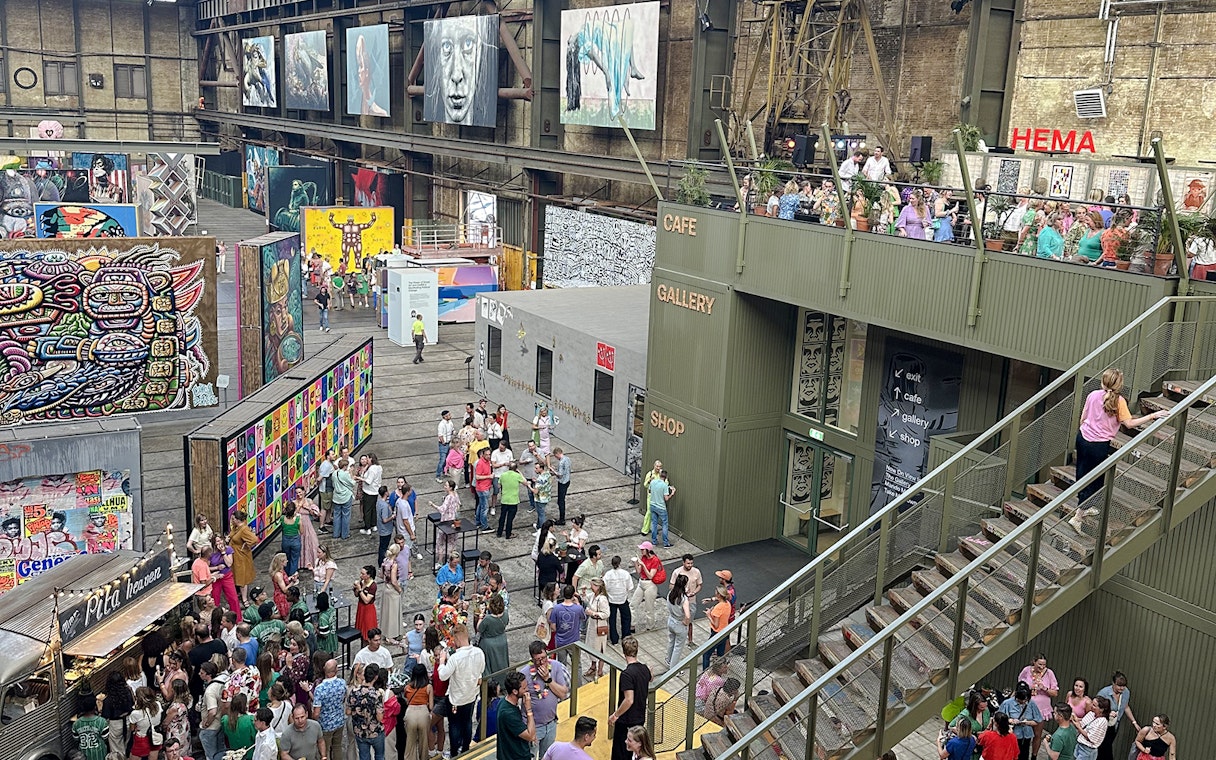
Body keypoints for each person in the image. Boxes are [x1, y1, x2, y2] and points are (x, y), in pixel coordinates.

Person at [1070, 370, 1166, 533]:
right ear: (1119, 386)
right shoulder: (1119, 401)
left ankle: (1085, 507)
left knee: (1082, 473)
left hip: (1083, 438)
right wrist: (1152, 416)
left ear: (1102, 383)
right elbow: (1129, 424)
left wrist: (1087, 430)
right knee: (1096, 481)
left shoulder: (1093, 395)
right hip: (1098, 445)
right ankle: (1078, 516)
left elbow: (1083, 418)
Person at [438, 624, 486, 757]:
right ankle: (465, 749)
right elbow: (480, 672)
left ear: (457, 639)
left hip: (456, 699)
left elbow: (443, 675)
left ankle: (454, 753)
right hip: (471, 695)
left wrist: (442, 661)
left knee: (454, 726)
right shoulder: (479, 652)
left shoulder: (455, 658)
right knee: (467, 722)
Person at [519, 640, 569, 759]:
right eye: (537, 660)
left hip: (551, 724)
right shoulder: (524, 674)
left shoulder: (555, 666)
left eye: (543, 658)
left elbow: (563, 694)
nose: (541, 662)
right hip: (534, 727)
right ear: (532, 659)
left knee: (547, 756)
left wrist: (548, 679)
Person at [608, 636, 650, 760]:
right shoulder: (644, 669)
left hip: (626, 720)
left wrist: (615, 715)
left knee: (621, 751)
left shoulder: (627, 674)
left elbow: (629, 699)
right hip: (640, 717)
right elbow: (650, 677)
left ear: (624, 652)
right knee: (635, 751)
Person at [1018, 654, 1058, 756]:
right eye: (1039, 664)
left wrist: (1044, 688)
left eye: (1044, 664)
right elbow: (1019, 686)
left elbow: (1055, 693)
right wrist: (1027, 688)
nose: (1042, 667)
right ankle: (1021, 754)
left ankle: (1034, 756)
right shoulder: (1026, 670)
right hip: (1026, 706)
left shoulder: (1049, 673)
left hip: (1041, 709)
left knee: (1037, 734)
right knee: (1023, 731)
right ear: (1034, 662)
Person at [346, 663, 385, 760]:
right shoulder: (377, 694)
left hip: (360, 732)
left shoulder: (354, 692)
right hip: (375, 731)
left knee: (364, 757)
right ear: (375, 677)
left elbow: (348, 711)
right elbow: (380, 717)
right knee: (380, 756)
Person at [1095, 672, 1137, 760]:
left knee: (1107, 746)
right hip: (1102, 724)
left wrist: (1134, 722)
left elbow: (1125, 706)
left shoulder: (1126, 692)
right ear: (1113, 684)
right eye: (1119, 686)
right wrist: (1108, 713)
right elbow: (1095, 709)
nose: (1122, 688)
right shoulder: (1104, 693)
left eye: (1123, 686)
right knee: (1104, 748)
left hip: (1114, 725)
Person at [496, 671, 536, 760]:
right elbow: (531, 736)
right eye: (524, 688)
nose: (527, 690)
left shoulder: (503, 702)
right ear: (515, 691)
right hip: (515, 756)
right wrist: (529, 709)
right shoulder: (509, 714)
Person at [311, 660, 346, 760]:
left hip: (325, 724)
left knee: (324, 751)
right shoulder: (342, 683)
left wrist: (313, 720)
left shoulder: (320, 689)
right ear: (336, 670)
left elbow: (316, 712)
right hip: (339, 721)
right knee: (337, 747)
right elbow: (343, 699)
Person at [998, 682, 1041, 760]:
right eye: (1021, 700)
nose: (1024, 702)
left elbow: (1037, 720)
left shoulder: (1031, 703)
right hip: (1012, 736)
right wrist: (1010, 720)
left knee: (1024, 756)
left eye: (1025, 700)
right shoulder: (1007, 703)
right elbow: (999, 718)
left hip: (1026, 735)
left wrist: (1026, 722)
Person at [629, 543, 665, 632]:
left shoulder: (655, 560)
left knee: (649, 608)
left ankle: (650, 626)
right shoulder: (643, 558)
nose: (641, 551)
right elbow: (639, 571)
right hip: (641, 582)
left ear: (648, 550)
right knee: (632, 604)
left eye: (642, 549)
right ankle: (632, 625)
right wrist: (636, 563)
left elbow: (650, 576)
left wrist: (643, 565)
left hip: (650, 584)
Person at [549, 584, 586, 668]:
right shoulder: (578, 608)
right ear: (573, 595)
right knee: (577, 666)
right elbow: (584, 618)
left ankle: (562, 681)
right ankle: (577, 681)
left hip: (560, 641)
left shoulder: (556, 608)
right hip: (574, 641)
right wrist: (578, 603)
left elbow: (553, 627)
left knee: (561, 665)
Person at [198, 662, 228, 760]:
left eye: (202, 673)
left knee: (211, 756)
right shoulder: (222, 684)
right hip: (220, 724)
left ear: (208, 675)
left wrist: (206, 723)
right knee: (221, 754)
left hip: (211, 728)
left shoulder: (210, 690)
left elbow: (212, 711)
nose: (199, 674)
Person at [208, 534, 241, 621]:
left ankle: (237, 619)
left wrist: (223, 552)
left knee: (233, 598)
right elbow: (207, 567)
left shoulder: (228, 549)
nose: (220, 542)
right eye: (217, 541)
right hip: (216, 578)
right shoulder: (210, 552)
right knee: (215, 599)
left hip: (227, 576)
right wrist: (216, 568)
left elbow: (229, 563)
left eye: (221, 540)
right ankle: (217, 620)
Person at [478, 593, 511, 679]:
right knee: (501, 663)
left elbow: (479, 628)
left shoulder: (488, 619)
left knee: (489, 666)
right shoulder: (506, 614)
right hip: (502, 640)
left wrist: (481, 616)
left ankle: (491, 684)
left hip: (489, 644)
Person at [229, 512, 258, 605]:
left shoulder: (244, 529)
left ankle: (244, 599)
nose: (232, 520)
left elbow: (254, 539)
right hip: (234, 555)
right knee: (237, 575)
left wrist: (246, 544)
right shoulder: (236, 527)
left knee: (242, 577)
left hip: (241, 557)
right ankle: (239, 594)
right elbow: (232, 535)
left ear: (238, 520)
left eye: (233, 519)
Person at [583, 578, 609, 679]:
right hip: (592, 624)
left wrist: (593, 613)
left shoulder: (602, 599)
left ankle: (600, 670)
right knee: (592, 645)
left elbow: (606, 613)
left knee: (600, 647)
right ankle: (593, 666)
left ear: (598, 587)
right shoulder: (593, 596)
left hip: (600, 625)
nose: (591, 587)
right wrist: (583, 594)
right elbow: (587, 601)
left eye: (593, 585)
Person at [431, 480, 461, 566]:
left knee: (441, 541)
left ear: (450, 488)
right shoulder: (456, 494)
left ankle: (440, 561)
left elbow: (442, 509)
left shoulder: (449, 497)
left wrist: (433, 505)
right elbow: (459, 505)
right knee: (452, 541)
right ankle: (450, 559)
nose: (444, 487)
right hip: (453, 520)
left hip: (446, 521)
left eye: (446, 485)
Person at [702, 585, 732, 670]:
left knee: (706, 654)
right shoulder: (727, 604)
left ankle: (705, 674)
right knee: (720, 655)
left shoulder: (718, 608)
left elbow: (716, 624)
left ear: (719, 594)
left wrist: (709, 615)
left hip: (717, 633)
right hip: (724, 632)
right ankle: (720, 671)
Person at [664, 575, 691, 668]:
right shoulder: (683, 599)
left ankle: (668, 660)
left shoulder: (670, 593)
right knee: (678, 647)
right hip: (680, 623)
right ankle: (674, 667)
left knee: (671, 641)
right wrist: (685, 623)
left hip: (671, 620)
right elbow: (687, 615)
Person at [73, 694, 109, 760]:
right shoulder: (102, 722)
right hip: (99, 755)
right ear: (95, 707)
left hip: (83, 755)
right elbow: (105, 738)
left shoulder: (76, 724)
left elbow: (76, 739)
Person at [496, 461, 526, 539]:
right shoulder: (517, 476)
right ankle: (508, 534)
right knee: (510, 518)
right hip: (513, 500)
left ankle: (499, 532)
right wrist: (520, 473)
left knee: (502, 517)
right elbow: (525, 483)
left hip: (504, 499)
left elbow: (498, 486)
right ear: (516, 469)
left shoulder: (503, 475)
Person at [221, 693, 256, 759]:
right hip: (248, 755)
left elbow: (226, 734)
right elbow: (255, 737)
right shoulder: (250, 720)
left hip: (233, 754)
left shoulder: (225, 720)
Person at [646, 469, 674, 548]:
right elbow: (666, 499)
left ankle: (654, 541)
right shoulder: (664, 485)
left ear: (660, 475)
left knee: (654, 523)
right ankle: (665, 543)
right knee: (664, 524)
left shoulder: (653, 482)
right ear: (666, 477)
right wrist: (672, 493)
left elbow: (650, 491)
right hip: (661, 507)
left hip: (652, 505)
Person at [357, 454, 384, 536]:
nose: (366, 460)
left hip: (369, 492)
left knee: (367, 510)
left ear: (371, 459)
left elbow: (368, 481)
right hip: (375, 491)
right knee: (373, 509)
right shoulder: (379, 467)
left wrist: (358, 478)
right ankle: (374, 525)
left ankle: (367, 528)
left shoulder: (372, 469)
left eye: (367, 458)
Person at [331, 457, 357, 540]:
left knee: (336, 515)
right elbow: (352, 483)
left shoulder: (334, 473)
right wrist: (351, 474)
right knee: (346, 515)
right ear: (345, 466)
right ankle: (345, 534)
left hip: (336, 497)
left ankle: (336, 533)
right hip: (345, 496)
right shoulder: (345, 474)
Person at [354, 565, 378, 641]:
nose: (361, 575)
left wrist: (360, 589)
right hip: (361, 607)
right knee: (361, 629)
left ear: (368, 575)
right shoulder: (361, 582)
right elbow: (356, 595)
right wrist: (356, 589)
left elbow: (366, 600)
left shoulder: (373, 586)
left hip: (368, 609)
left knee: (368, 629)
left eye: (363, 574)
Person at [473, 447, 493, 530]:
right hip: (482, 488)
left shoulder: (488, 461)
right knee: (485, 508)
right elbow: (477, 476)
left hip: (484, 487)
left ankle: (478, 522)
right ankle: (484, 526)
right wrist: (489, 476)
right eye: (486, 455)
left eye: (489, 454)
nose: (488, 456)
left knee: (481, 506)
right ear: (483, 455)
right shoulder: (480, 463)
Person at [281, 502, 303, 577]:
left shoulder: (282, 519)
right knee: (294, 559)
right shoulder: (298, 519)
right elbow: (302, 531)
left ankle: (286, 575)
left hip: (285, 541)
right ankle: (292, 576)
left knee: (286, 558)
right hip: (295, 541)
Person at [436, 411, 455, 482]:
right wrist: (443, 442)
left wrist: (454, 433)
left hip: (449, 443)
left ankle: (445, 471)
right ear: (445, 416)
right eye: (449, 415)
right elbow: (440, 435)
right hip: (443, 444)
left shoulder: (450, 422)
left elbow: (452, 430)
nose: (450, 416)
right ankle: (438, 475)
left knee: (447, 459)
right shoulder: (441, 424)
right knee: (442, 459)